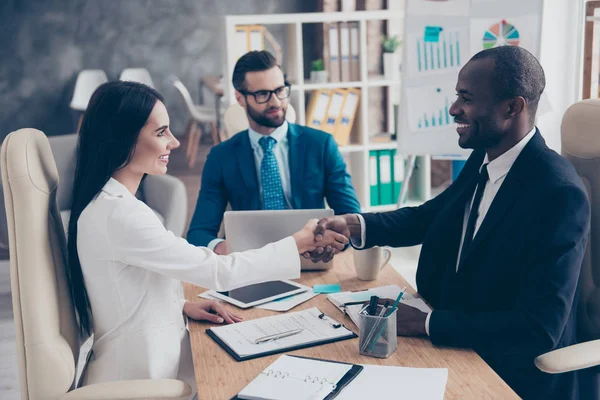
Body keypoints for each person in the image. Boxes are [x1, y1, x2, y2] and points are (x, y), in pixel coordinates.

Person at [310, 46, 590, 399]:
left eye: (466, 98)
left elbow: (538, 328)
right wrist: (355, 226)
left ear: (512, 107)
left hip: (510, 375)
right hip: (458, 344)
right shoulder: (486, 157)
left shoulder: (557, 193)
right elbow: (431, 216)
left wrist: (427, 323)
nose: (453, 108)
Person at [67, 81, 348, 392]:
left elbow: (126, 293)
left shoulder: (113, 206)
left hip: (150, 361)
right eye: (161, 133)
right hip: (141, 379)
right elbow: (219, 271)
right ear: (123, 139)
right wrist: (299, 243)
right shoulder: (120, 215)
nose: (174, 142)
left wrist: (181, 307)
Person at [186, 50, 361, 254]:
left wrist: (335, 242)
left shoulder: (321, 145)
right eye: (262, 94)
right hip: (251, 260)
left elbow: (353, 219)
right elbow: (198, 233)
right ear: (240, 98)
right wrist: (224, 248)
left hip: (313, 254)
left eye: (280, 90)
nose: (276, 102)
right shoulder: (221, 157)